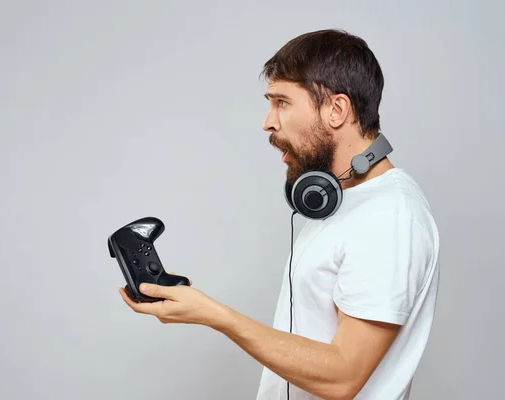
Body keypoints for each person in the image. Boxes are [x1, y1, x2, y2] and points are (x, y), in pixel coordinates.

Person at [119, 29, 440, 400]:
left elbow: (342, 376)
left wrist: (216, 316)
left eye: (282, 102)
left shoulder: (390, 217)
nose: (268, 122)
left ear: (336, 110)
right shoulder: (343, 203)